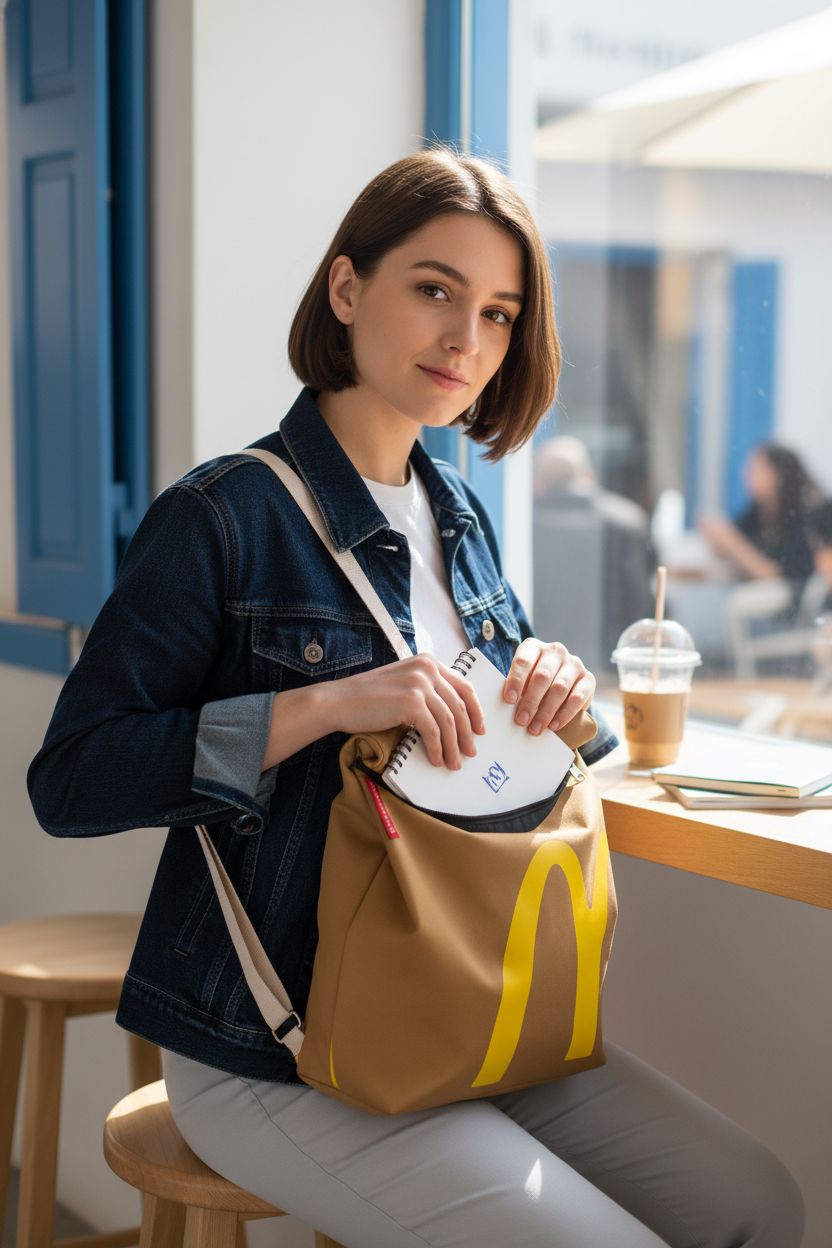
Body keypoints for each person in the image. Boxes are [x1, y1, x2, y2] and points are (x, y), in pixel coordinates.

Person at [27, 149, 803, 1248]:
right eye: (434, 289)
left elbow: (504, 755)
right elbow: (72, 778)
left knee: (756, 1202)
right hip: (275, 1048)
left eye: (497, 313)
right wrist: (321, 706)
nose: (465, 340)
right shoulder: (224, 516)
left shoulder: (463, 518)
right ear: (347, 290)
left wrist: (557, 684)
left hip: (467, 1013)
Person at [532, 436, 655, 671]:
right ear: (589, 476)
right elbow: (644, 603)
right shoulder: (628, 521)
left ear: (538, 482)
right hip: (613, 664)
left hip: (544, 668)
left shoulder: (521, 526)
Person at [699, 441, 821, 590]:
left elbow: (778, 577)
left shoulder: (804, 515)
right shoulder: (757, 511)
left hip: (792, 597)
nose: (746, 475)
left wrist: (730, 543)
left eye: (755, 470)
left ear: (778, 476)